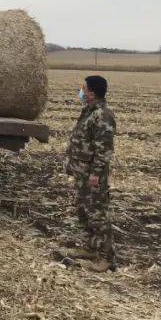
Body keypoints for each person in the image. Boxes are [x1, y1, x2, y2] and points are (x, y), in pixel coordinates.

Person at [62, 74, 117, 272]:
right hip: (81, 172)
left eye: (83, 89)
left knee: (97, 214)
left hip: (93, 175)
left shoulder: (103, 116)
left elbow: (104, 150)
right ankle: (90, 248)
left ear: (92, 93)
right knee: (83, 210)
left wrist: (96, 174)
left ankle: (106, 257)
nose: (81, 92)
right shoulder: (88, 111)